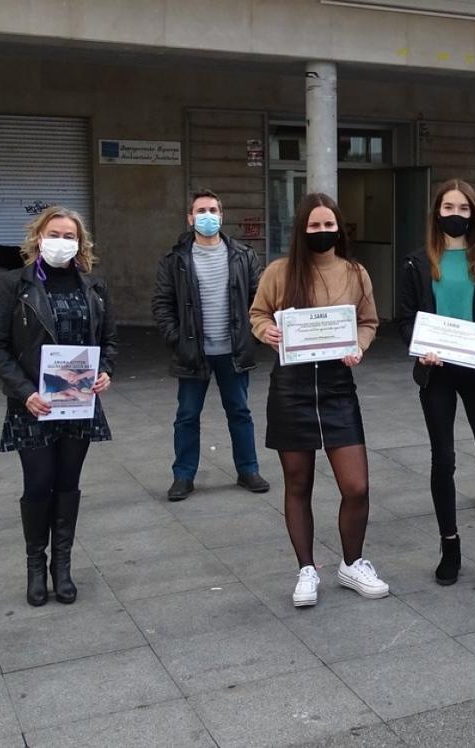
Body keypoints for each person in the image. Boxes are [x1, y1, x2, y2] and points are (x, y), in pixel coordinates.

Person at [251, 193, 387, 607]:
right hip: (291, 387)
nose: (323, 232)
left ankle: (352, 562)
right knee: (298, 484)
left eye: (329, 225)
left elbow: (368, 321)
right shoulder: (279, 272)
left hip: (336, 386)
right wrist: (266, 333)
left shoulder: (355, 272)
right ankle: (306, 570)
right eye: (314, 226)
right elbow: (258, 314)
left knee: (357, 486)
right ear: (301, 230)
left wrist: (359, 346)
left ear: (339, 229)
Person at [0, 206, 117, 606]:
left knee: (68, 482)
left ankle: (63, 566)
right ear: (39, 238)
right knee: (39, 483)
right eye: (54, 233)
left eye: (69, 235)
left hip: (77, 402)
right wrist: (25, 392)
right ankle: (35, 567)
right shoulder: (13, 285)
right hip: (34, 404)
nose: (62, 241)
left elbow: (109, 340)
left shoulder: (93, 286)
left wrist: (105, 370)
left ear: (80, 242)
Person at [397, 179, 475, 595]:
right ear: (437, 213)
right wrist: (420, 348)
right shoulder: (417, 261)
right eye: (448, 207)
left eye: (463, 208)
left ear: (473, 214)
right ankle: (450, 547)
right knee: (443, 461)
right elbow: (406, 318)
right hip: (437, 373)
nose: (455, 214)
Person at [152, 190, 269, 501]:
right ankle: (183, 476)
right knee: (187, 415)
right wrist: (177, 340)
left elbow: (260, 300)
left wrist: (252, 336)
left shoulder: (244, 255)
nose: (207, 215)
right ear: (190, 218)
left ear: (222, 215)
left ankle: (248, 469)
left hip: (233, 352)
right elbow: (162, 304)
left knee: (240, 412)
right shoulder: (175, 259)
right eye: (200, 210)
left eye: (213, 210)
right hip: (193, 353)